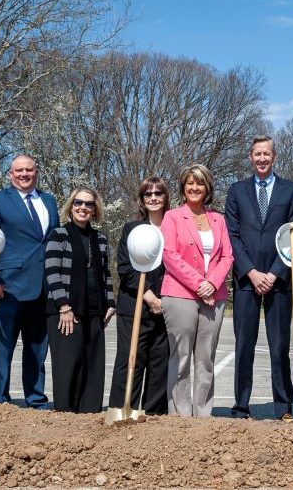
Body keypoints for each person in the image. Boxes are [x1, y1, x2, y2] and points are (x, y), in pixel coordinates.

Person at [225, 135, 293, 419]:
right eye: (257, 154)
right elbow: (232, 236)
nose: (261, 159)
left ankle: (282, 406)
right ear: (250, 156)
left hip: (278, 280)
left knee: (279, 348)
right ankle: (241, 405)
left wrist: (273, 273)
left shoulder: (291, 190)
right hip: (247, 280)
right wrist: (252, 271)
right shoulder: (236, 191)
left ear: (274, 157)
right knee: (244, 345)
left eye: (266, 154)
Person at [0, 154, 59, 408]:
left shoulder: (48, 200)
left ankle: (35, 398)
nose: (24, 174)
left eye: (29, 170)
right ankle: (0, 401)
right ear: (10, 174)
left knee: (37, 348)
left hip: (44, 287)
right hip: (9, 286)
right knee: (4, 347)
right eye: (19, 170)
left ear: (36, 172)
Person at [161, 164, 234, 417]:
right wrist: (198, 284)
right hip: (179, 294)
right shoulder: (172, 217)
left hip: (214, 297)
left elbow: (227, 257)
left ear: (207, 188)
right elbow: (170, 256)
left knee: (206, 359)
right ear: (183, 187)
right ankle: (180, 415)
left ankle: (203, 414)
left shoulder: (218, 220)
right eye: (190, 183)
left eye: (200, 183)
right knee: (180, 358)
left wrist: (212, 283)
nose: (195, 188)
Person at [43, 188, 116, 413]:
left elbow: (106, 274)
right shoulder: (59, 235)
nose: (83, 207)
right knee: (68, 364)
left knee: (93, 364)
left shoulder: (100, 238)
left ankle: (89, 411)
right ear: (71, 207)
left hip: (95, 309)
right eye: (78, 203)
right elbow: (52, 272)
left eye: (89, 204)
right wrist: (63, 306)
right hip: (66, 310)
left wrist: (110, 303)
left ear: (95, 210)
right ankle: (66, 413)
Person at [108, 177, 170, 415]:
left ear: (165, 197)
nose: (153, 198)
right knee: (130, 361)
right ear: (142, 200)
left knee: (160, 363)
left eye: (158, 193)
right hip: (134, 304)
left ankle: (153, 415)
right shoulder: (132, 229)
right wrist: (149, 297)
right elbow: (125, 268)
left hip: (166, 306)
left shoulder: (173, 228)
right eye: (148, 194)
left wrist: (165, 299)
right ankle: (124, 411)